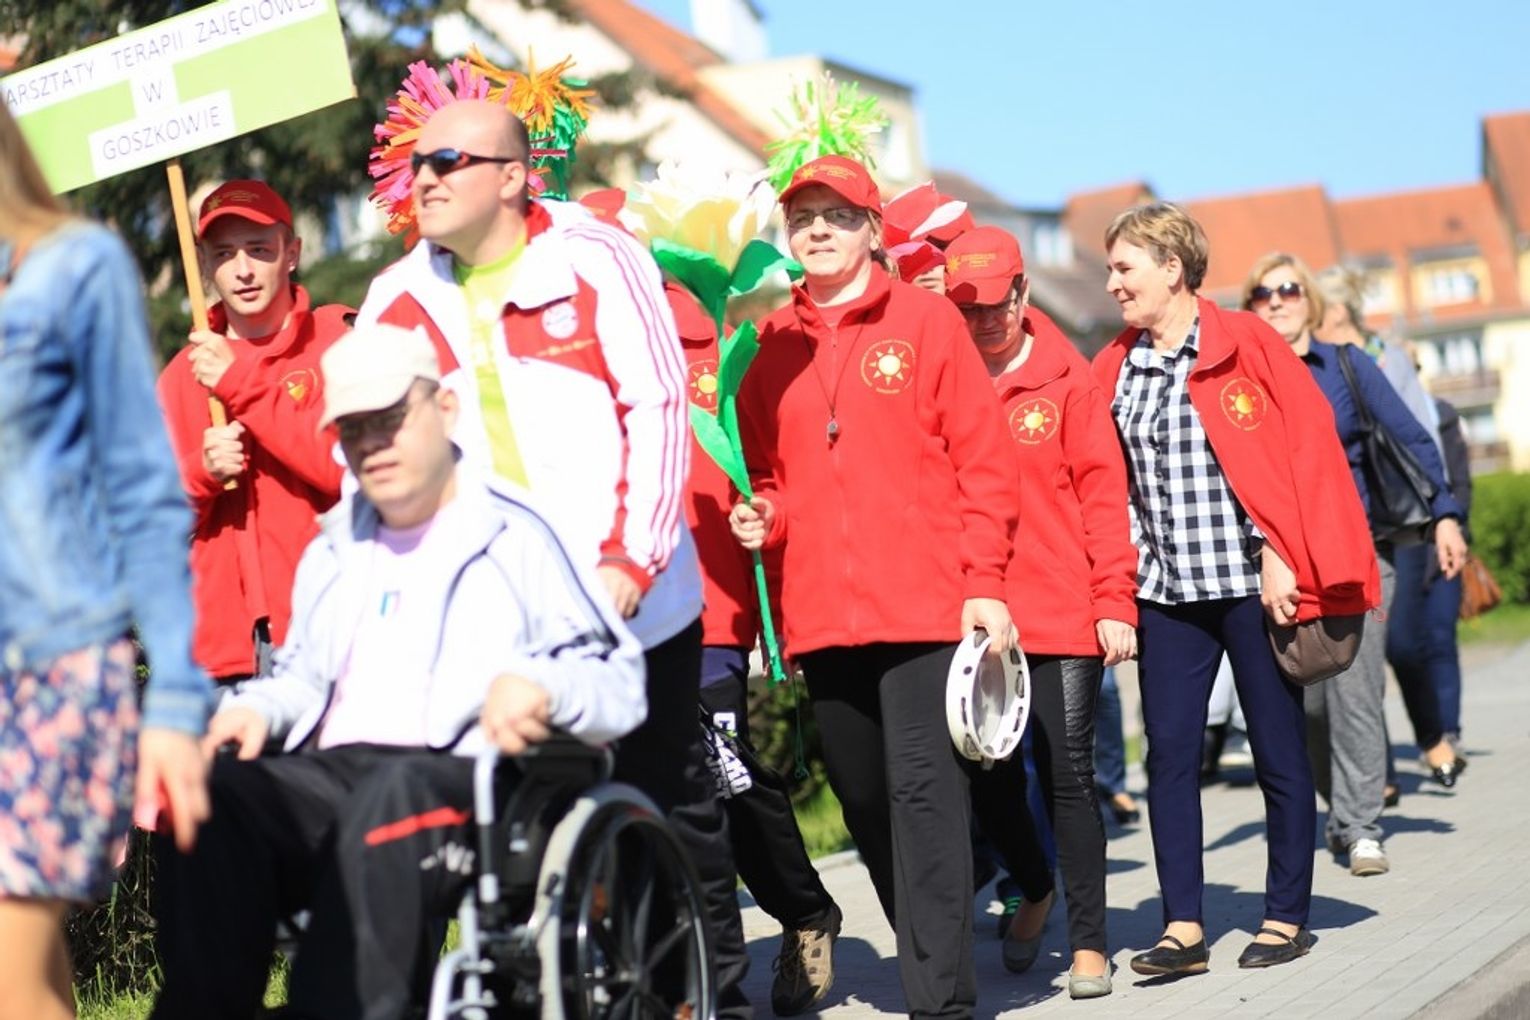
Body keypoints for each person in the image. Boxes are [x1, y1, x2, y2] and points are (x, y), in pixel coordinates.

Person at [354, 100, 752, 1015]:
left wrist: (632, 561)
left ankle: (708, 997)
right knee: (518, 841)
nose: (426, 178)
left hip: (633, 599)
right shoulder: (395, 298)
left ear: (512, 175)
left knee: (669, 811)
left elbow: (657, 410)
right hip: (499, 621)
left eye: (449, 161)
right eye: (418, 163)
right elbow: (366, 463)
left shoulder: (595, 257)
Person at [150, 324, 646, 1020]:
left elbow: (617, 679)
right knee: (211, 791)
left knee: (389, 794)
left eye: (389, 419)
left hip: (467, 773)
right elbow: (301, 678)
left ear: (444, 408)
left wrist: (542, 686)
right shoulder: (333, 547)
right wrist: (253, 709)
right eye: (353, 429)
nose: (372, 444)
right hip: (338, 770)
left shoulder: (516, 532)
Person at [730, 154, 1020, 1018]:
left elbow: (983, 460)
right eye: (803, 218)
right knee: (862, 798)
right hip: (824, 615)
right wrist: (766, 517)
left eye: (837, 215)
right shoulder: (768, 345)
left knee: (924, 794)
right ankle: (933, 945)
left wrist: (985, 582)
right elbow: (771, 476)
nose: (817, 230)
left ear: (870, 229)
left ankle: (940, 998)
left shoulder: (926, 322)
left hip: (926, 606)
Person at [1092, 203, 1377, 974]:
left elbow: (1302, 448)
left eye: (1124, 268)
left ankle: (1286, 916)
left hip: (1251, 585)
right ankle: (1183, 928)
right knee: (1169, 758)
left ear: (1172, 268)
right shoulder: (1114, 364)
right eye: (1111, 269)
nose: (1113, 283)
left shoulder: (1246, 341)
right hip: (1165, 592)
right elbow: (1101, 480)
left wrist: (1280, 550)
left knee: (1278, 750)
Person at [0, 98, 211, 1020]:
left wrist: (174, 700)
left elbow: (143, 490)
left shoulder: (75, 268)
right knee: (28, 975)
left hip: (50, 667)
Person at [945, 226, 1137, 998]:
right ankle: (1035, 887)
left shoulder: (1068, 381)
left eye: (997, 304)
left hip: (1061, 612)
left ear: (1023, 292)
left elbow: (1104, 497)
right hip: (973, 617)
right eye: (967, 308)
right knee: (985, 779)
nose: (984, 321)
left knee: (1069, 775)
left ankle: (1090, 944)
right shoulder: (944, 377)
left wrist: (1113, 599)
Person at [1242, 252, 1467, 876]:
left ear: (1309, 299)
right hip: (1283, 561)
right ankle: (1341, 811)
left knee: (1357, 692)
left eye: (1289, 289)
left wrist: (1446, 514)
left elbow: (1413, 436)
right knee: (1311, 704)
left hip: (1359, 548)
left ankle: (1363, 826)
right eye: (1263, 292)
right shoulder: (1245, 379)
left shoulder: (1345, 364)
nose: (1277, 300)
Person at [669, 281, 842, 1016]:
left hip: (710, 609)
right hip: (604, 620)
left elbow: (772, 476)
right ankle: (691, 975)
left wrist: (778, 608)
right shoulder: (564, 357)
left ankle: (804, 910)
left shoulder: (720, 354)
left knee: (726, 782)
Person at [157, 180, 353, 684]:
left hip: (335, 624)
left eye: (259, 250)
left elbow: (344, 471)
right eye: (224, 254)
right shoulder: (181, 376)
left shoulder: (337, 341)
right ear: (205, 265)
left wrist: (239, 384)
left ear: (292, 253)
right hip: (225, 656)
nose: (242, 270)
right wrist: (200, 474)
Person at [1388, 395, 1473, 757]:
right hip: (1402, 542)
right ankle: (1431, 732)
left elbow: (1461, 481)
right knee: (1404, 644)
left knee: (1440, 637)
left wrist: (1450, 523)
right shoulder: (1378, 410)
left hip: (1444, 542)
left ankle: (1449, 731)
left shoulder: (1442, 412)